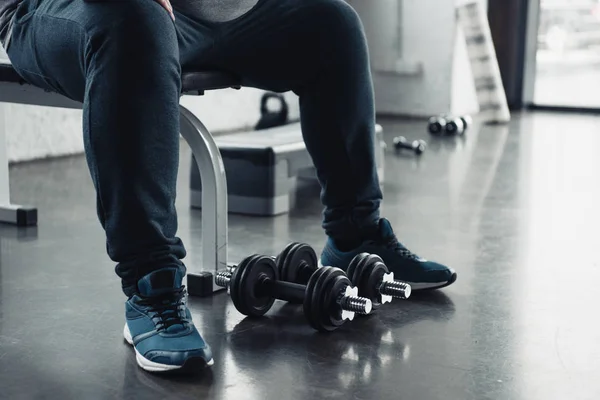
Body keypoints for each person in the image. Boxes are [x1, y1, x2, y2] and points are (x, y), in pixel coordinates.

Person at [0, 0, 457, 373]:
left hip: (203, 17)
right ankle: (151, 288)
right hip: (73, 10)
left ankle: (356, 234)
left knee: (332, 25)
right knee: (132, 22)